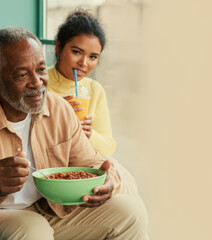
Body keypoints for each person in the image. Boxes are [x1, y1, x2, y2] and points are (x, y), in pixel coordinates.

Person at [0, 26, 148, 240]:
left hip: (50, 210)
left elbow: (91, 164)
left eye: (41, 70)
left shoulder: (59, 108)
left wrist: (106, 182)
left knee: (130, 212)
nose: (37, 82)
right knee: (33, 229)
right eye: (22, 74)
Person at [48, 9, 142, 197]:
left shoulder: (94, 90)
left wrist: (89, 134)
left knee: (124, 183)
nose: (84, 63)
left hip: (85, 165)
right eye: (76, 52)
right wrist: (57, 115)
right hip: (51, 166)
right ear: (58, 47)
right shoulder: (40, 83)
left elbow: (108, 146)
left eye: (93, 57)